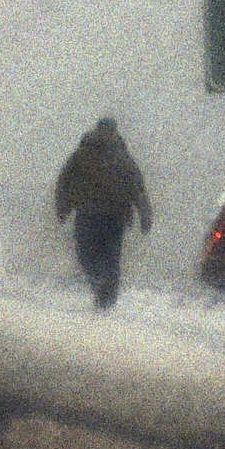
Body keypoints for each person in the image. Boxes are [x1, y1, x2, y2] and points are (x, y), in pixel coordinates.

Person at [53, 117, 152, 309]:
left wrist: (63, 208)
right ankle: (106, 293)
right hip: (113, 216)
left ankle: (101, 286)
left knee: (88, 255)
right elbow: (137, 188)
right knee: (109, 257)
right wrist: (144, 215)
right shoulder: (120, 157)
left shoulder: (83, 155)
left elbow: (64, 182)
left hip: (89, 214)